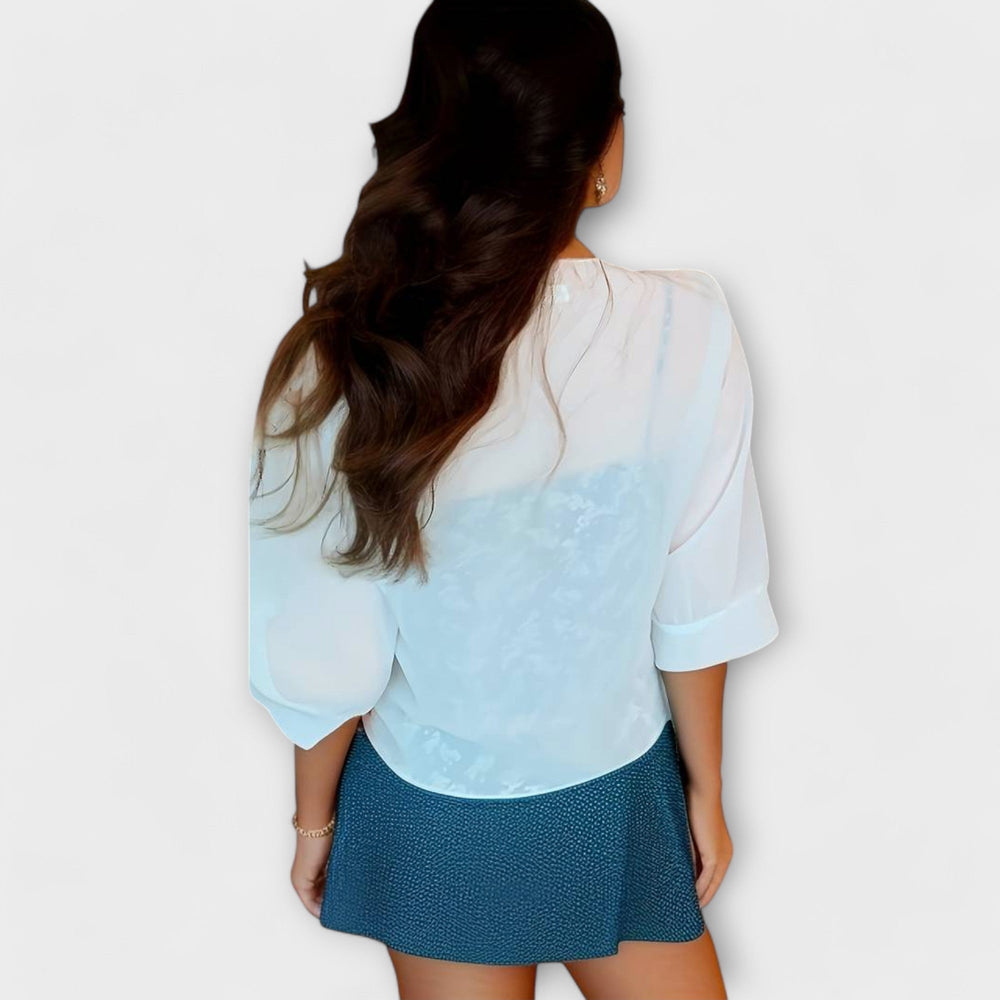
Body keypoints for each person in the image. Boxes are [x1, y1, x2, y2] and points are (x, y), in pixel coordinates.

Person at [247, 1, 778, 997]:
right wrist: (705, 789)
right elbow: (701, 593)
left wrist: (313, 822)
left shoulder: (345, 356)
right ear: (605, 146)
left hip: (431, 806)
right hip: (619, 785)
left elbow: (328, 653)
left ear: (423, 136)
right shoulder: (686, 327)